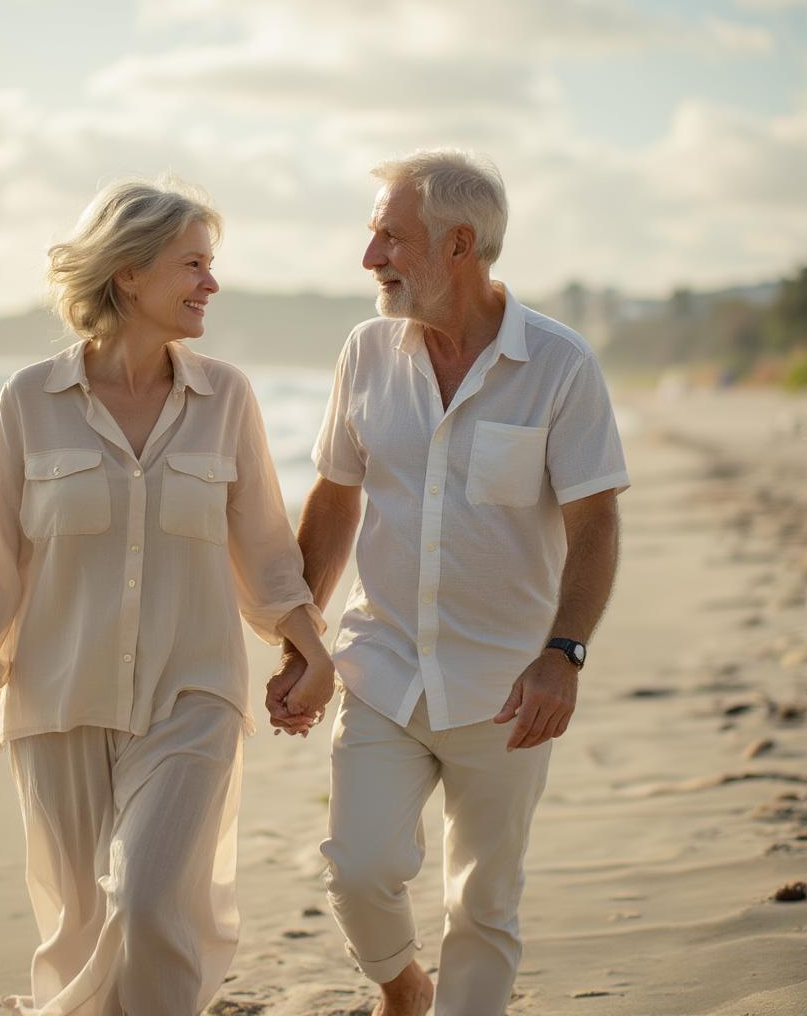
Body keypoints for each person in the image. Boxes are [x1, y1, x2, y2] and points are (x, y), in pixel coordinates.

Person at [0, 176, 335, 1016]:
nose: (210, 283)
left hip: (193, 693)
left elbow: (265, 551)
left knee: (150, 903)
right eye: (193, 265)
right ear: (128, 274)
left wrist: (312, 654)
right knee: (77, 929)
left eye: (211, 265)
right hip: (56, 699)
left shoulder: (227, 398)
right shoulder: (30, 400)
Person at [267, 149, 630, 1016]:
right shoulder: (366, 352)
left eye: (391, 239)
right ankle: (402, 984)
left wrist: (564, 655)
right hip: (382, 665)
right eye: (372, 238)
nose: (371, 260)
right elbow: (336, 498)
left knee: (484, 901)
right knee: (359, 869)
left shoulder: (559, 364)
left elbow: (595, 525)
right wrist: (300, 642)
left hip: (510, 688)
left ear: (459, 243)